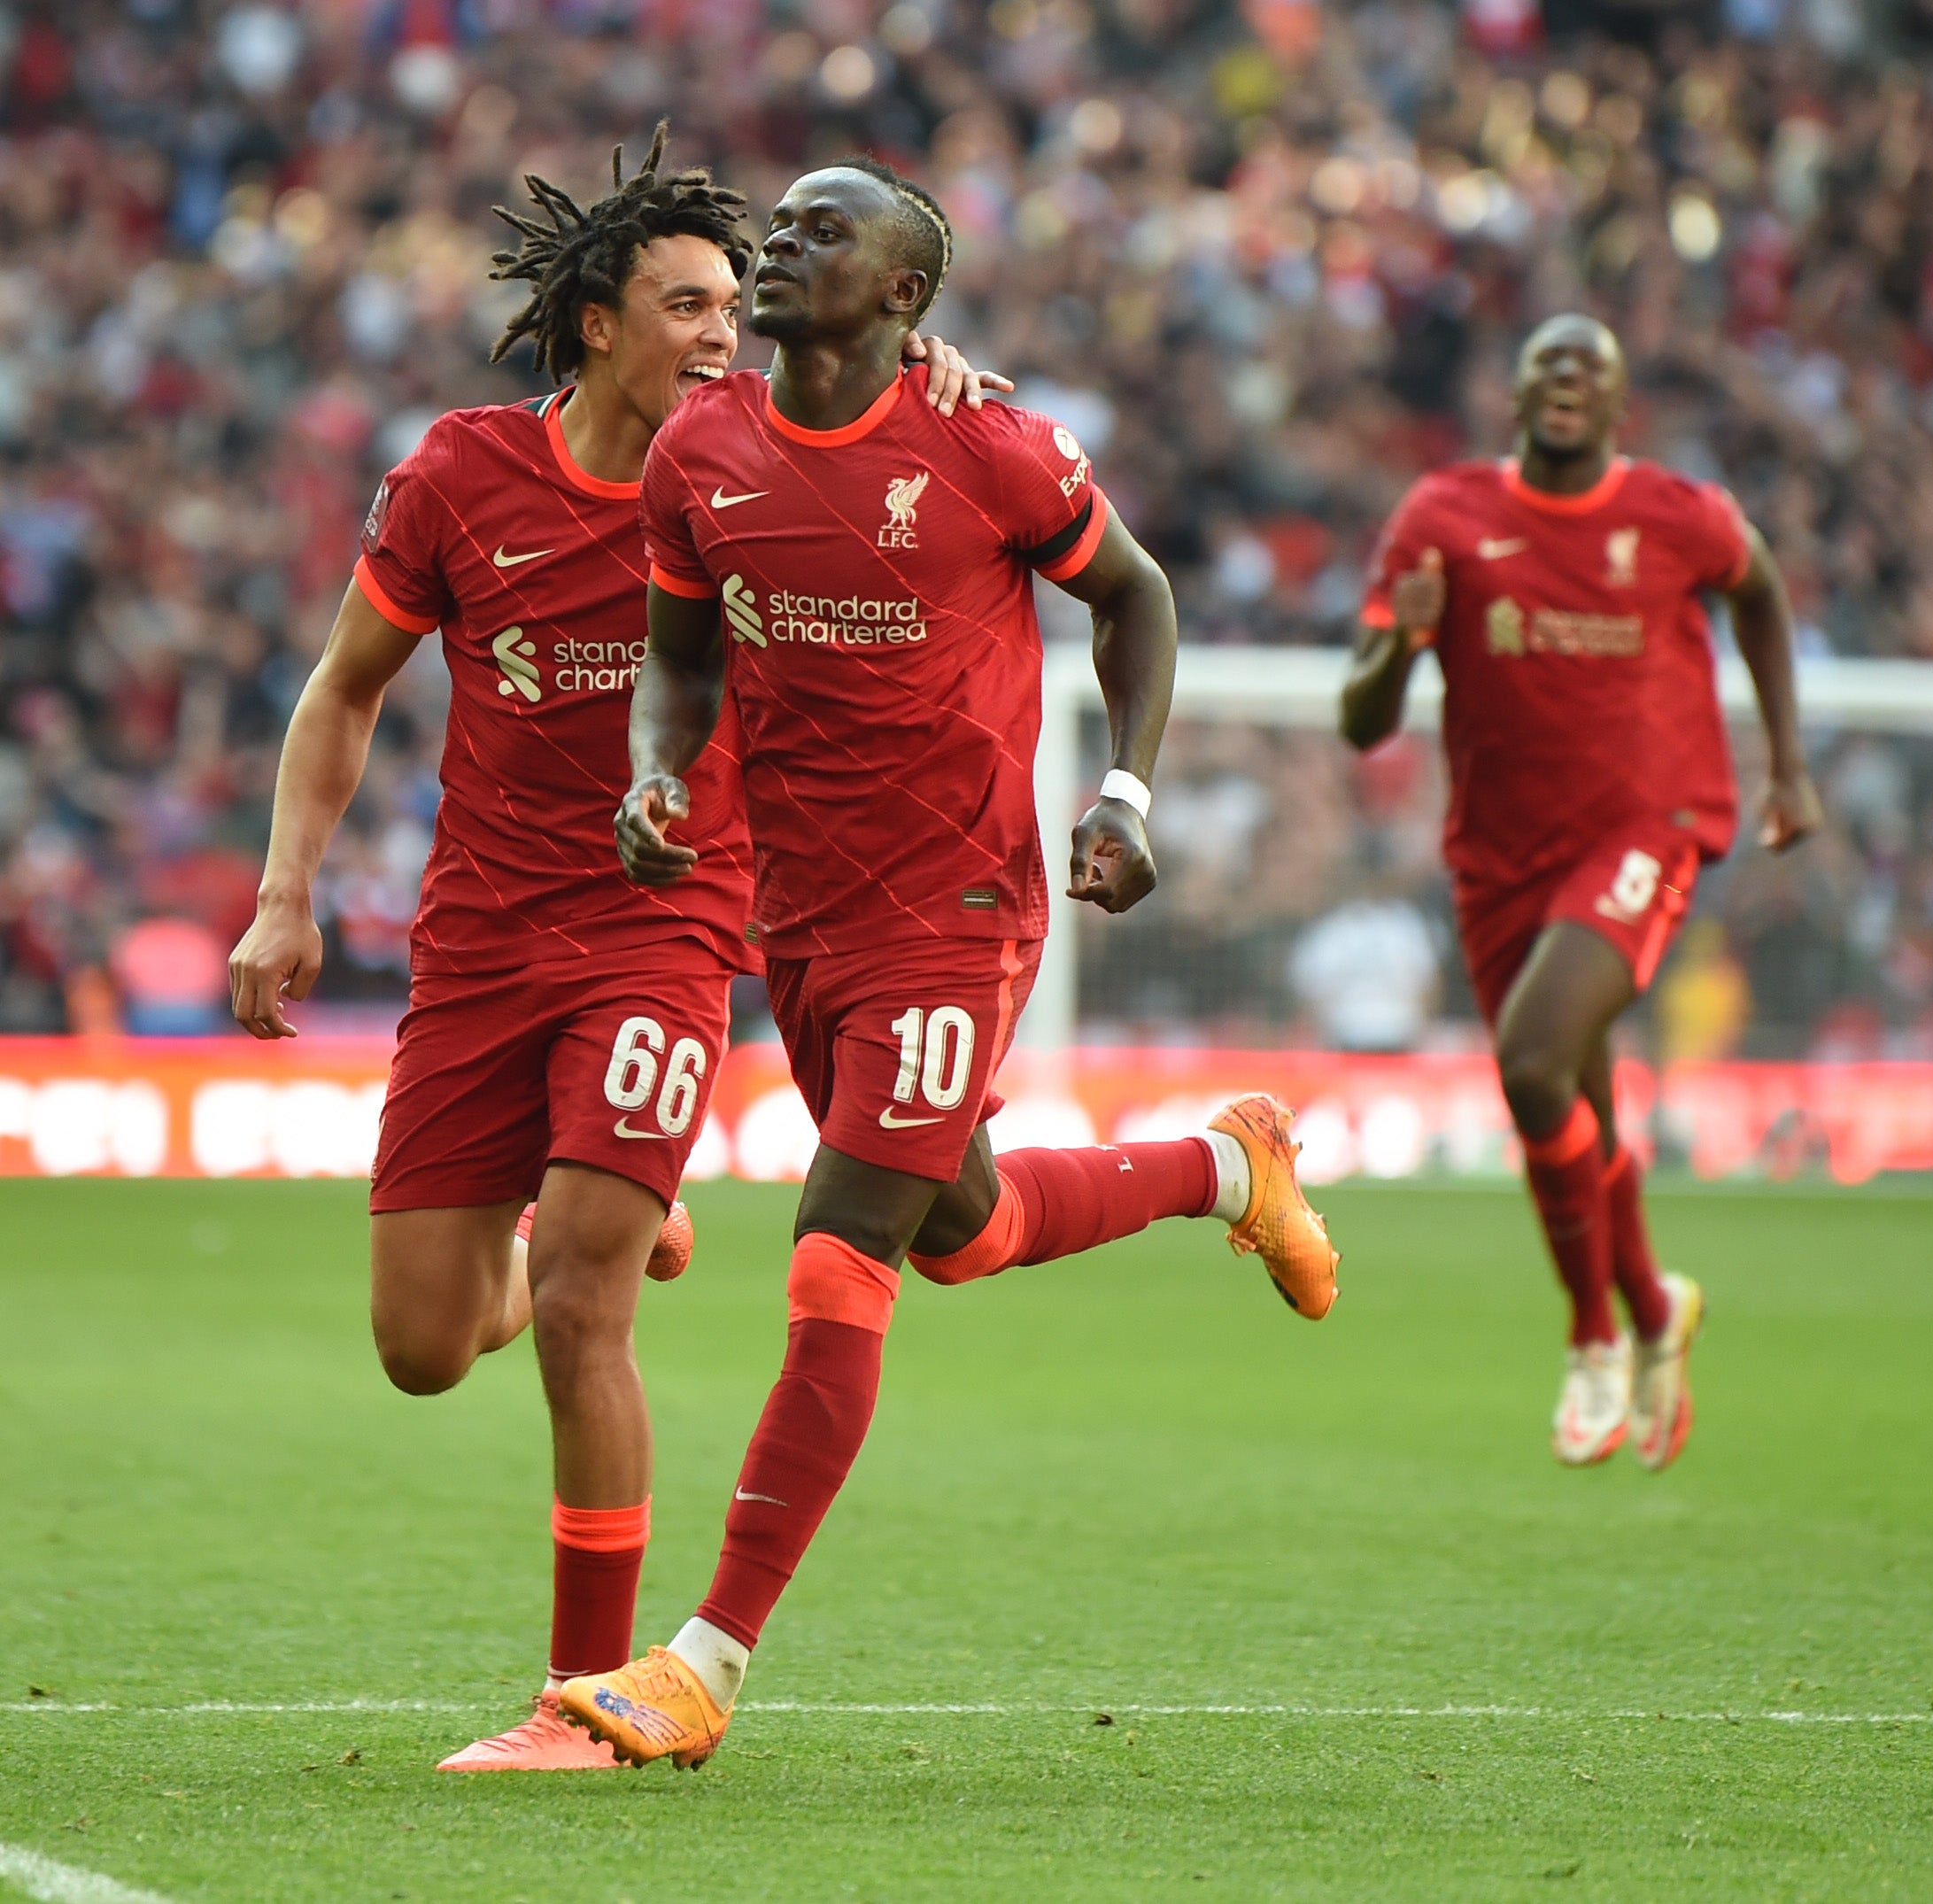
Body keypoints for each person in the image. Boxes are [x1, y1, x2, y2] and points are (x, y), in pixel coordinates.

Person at [224, 128, 996, 1773]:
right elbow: (345, 686)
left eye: (737, 305)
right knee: (427, 1348)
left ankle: (583, 1698)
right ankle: (613, 1203)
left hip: (666, 923)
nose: (727, 334)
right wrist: (287, 893)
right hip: (483, 938)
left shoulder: (758, 458)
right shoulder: (457, 477)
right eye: (688, 306)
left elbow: (897, 393)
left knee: (581, 1304)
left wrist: (938, 365)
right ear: (597, 324)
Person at [555, 159, 1337, 1769]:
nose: (782, 244)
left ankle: (704, 1663)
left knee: (838, 1249)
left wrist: (1125, 790)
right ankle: (1222, 1164)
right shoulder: (703, 447)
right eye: (779, 225)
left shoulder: (985, 441)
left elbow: (1135, 595)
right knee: (959, 1232)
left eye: (823, 232)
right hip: (811, 913)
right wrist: (652, 774)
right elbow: (680, 659)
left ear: (905, 297)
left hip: (961, 907)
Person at [1338, 313, 1821, 1468]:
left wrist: (1789, 765)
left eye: (1590, 369)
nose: (1566, 380)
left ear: (1618, 409)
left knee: (1534, 1058)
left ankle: (1593, 1337)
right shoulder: (1441, 517)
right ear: (1513, 395)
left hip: (1647, 827)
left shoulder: (1675, 514)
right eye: (1547, 362)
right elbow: (1362, 722)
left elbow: (1759, 592)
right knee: (1572, 1102)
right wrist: (1399, 649)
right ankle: (1658, 1310)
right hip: (1500, 853)